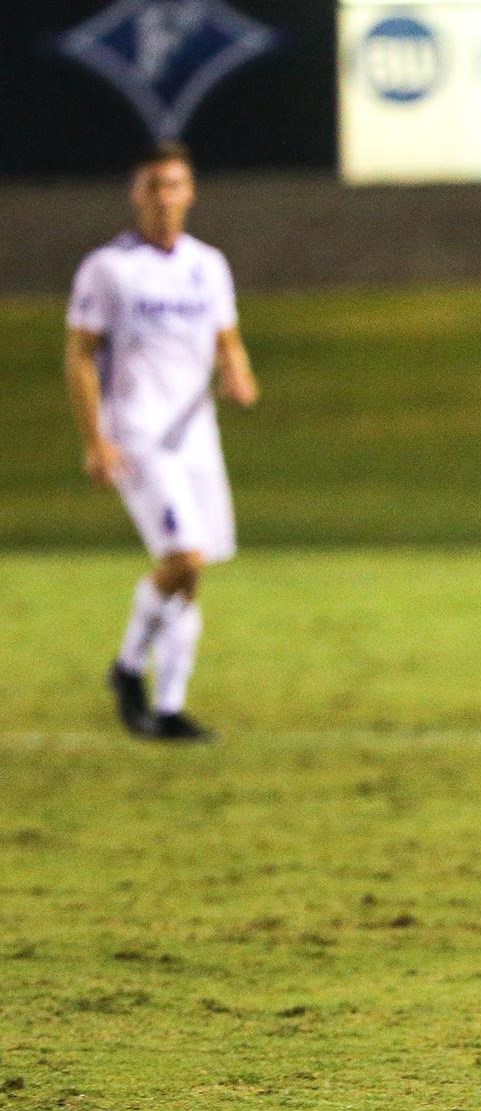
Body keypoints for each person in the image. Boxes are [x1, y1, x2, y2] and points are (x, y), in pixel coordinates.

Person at [64, 142, 260, 742]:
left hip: (196, 435)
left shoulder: (208, 263)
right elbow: (79, 355)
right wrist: (95, 440)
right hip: (139, 433)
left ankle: (170, 708)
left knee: (193, 572)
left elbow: (225, 335)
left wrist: (238, 371)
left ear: (191, 192)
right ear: (137, 194)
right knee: (184, 558)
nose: (165, 196)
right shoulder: (109, 268)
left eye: (175, 184)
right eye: (154, 186)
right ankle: (127, 670)